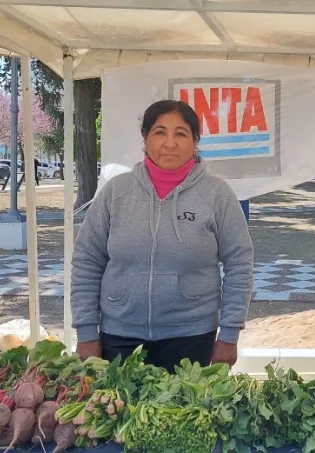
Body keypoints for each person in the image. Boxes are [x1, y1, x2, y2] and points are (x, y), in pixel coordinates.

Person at [71, 99, 254, 371]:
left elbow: (239, 264)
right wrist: (86, 331)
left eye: (180, 134)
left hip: (192, 336)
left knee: (185, 401)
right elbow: (86, 261)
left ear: (195, 140)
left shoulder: (217, 195)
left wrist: (229, 334)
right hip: (119, 334)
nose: (170, 143)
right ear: (145, 137)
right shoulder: (115, 192)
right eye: (160, 132)